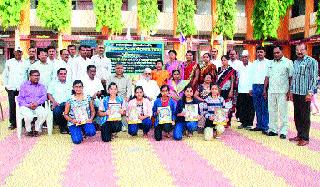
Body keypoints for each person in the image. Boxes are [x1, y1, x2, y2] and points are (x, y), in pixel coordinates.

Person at [289, 43, 318, 146]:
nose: (299, 52)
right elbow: (294, 78)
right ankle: (299, 135)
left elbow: (314, 78)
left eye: (301, 50)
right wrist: (291, 91)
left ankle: (305, 138)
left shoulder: (312, 61)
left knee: (305, 116)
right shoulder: (295, 62)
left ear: (306, 50)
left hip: (305, 94)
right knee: (297, 115)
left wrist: (310, 93)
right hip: (296, 93)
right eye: (297, 50)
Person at [263, 45, 293, 139]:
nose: (276, 54)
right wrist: (265, 89)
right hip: (271, 91)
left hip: (283, 91)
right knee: (272, 111)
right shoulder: (270, 63)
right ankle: (273, 130)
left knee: (283, 112)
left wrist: (290, 91)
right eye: (274, 53)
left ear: (282, 52)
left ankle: (283, 131)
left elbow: (291, 78)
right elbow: (267, 77)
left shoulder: (288, 62)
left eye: (277, 52)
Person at [2, 46, 28, 130]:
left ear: (22, 53)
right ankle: (13, 123)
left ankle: (23, 122)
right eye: (17, 52)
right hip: (12, 88)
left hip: (23, 89)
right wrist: (6, 85)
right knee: (12, 105)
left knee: (23, 105)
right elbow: (5, 75)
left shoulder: (26, 62)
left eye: (20, 52)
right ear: (14, 53)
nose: (18, 53)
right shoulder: (9, 62)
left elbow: (28, 76)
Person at [63, 80, 96, 144]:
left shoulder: (88, 98)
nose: (78, 89)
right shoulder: (70, 99)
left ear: (83, 87)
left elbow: (93, 111)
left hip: (86, 121)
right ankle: (76, 131)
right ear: (73, 88)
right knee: (77, 141)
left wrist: (91, 119)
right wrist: (72, 120)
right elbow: (65, 114)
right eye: (76, 87)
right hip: (74, 123)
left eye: (80, 87)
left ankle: (83, 130)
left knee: (91, 132)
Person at [17, 70, 48, 137]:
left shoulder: (41, 86)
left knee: (44, 113)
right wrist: (28, 105)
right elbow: (20, 98)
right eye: (34, 75)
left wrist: (37, 103)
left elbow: (44, 96)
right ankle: (29, 130)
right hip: (25, 106)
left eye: (38, 75)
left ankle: (37, 129)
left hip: (37, 105)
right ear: (30, 76)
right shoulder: (24, 86)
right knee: (29, 116)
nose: (36, 77)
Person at [249, 46, 269, 133]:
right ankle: (259, 125)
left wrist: (266, 88)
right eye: (258, 52)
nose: (259, 53)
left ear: (264, 53)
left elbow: (268, 77)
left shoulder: (269, 63)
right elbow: (251, 76)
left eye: (261, 52)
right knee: (257, 107)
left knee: (264, 107)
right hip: (255, 86)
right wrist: (250, 88)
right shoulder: (254, 63)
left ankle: (265, 126)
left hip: (264, 87)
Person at [108, 62, 133, 131]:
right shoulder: (110, 77)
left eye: (121, 68)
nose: (119, 70)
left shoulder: (127, 77)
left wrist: (127, 97)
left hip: (124, 98)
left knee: (126, 108)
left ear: (123, 69)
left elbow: (129, 89)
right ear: (115, 69)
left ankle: (124, 125)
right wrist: (114, 98)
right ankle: (115, 125)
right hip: (113, 97)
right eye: (118, 68)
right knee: (112, 107)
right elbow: (108, 89)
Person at [47, 68, 72, 134]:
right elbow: (49, 94)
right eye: (61, 74)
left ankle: (72, 126)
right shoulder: (52, 83)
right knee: (57, 111)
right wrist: (53, 102)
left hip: (69, 104)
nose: (63, 75)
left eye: (64, 74)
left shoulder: (70, 83)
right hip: (58, 104)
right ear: (57, 75)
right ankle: (62, 126)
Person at [236, 50, 254, 129]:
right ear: (241, 58)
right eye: (243, 57)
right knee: (242, 107)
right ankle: (243, 123)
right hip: (241, 89)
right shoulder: (239, 67)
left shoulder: (252, 66)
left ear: (248, 57)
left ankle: (249, 123)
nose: (244, 58)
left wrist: (251, 88)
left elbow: (254, 78)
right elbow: (238, 78)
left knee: (250, 107)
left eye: (246, 57)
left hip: (249, 90)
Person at [216, 55, 235, 127]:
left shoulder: (231, 70)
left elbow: (232, 81)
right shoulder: (219, 69)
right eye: (222, 60)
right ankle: (220, 120)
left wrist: (231, 90)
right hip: (220, 90)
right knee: (220, 105)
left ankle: (227, 121)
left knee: (228, 106)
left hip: (228, 89)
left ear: (228, 61)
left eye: (225, 60)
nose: (223, 61)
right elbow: (217, 79)